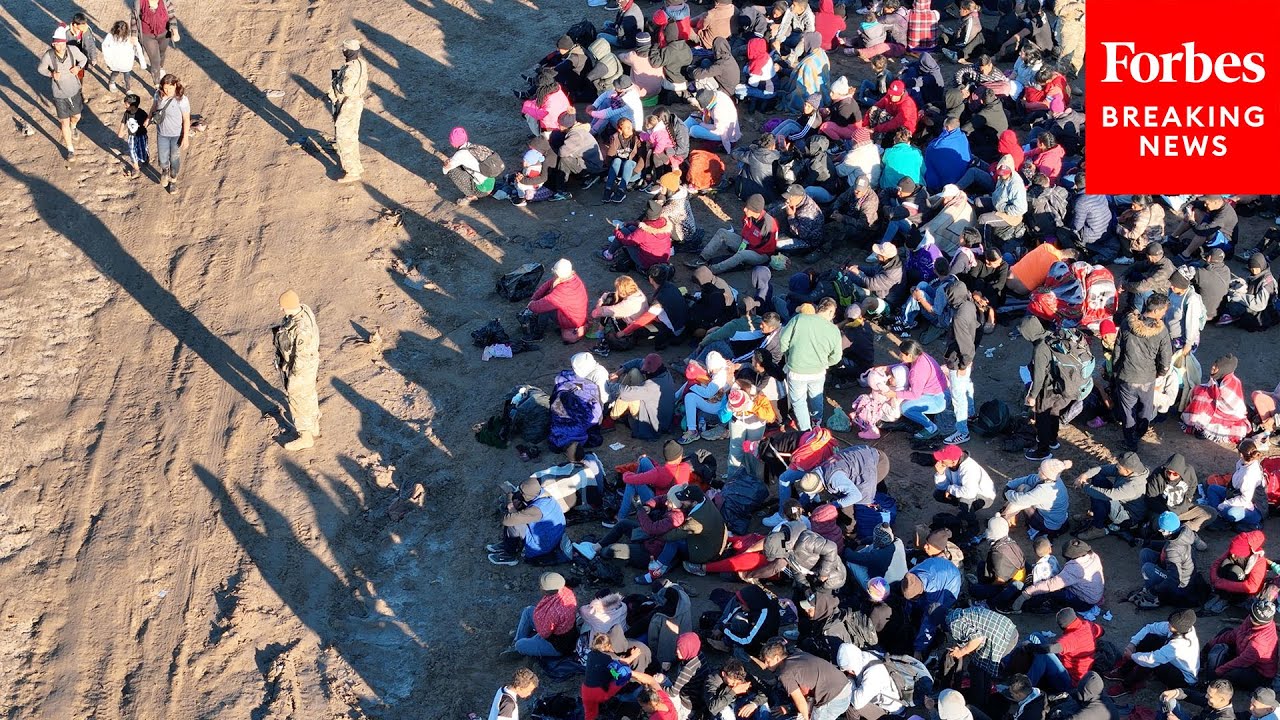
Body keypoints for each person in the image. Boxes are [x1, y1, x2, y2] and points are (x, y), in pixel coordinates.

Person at [1114, 297, 1173, 450]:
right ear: (1156, 311)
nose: (1164, 314)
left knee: (1128, 411)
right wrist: (1160, 373)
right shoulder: (1161, 330)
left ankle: (1130, 442)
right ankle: (1139, 433)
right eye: (1164, 311)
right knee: (1145, 409)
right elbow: (1166, 358)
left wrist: (1115, 370)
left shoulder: (1127, 323)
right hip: (1147, 378)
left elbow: (1117, 350)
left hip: (1127, 376)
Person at [780, 298, 843, 431]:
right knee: (816, 396)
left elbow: (783, 341)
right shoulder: (834, 330)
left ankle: (806, 430)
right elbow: (836, 357)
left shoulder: (799, 319)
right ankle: (816, 422)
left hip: (796, 370)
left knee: (799, 402)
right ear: (831, 311)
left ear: (819, 308)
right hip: (818, 371)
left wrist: (789, 355)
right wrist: (825, 363)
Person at [1106, 610, 1200, 697]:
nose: (1167, 625)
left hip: (1182, 677)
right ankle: (1124, 671)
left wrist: (1132, 656)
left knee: (1151, 663)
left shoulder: (1180, 644)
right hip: (1172, 663)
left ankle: (1128, 685)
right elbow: (1150, 628)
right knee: (1151, 638)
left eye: (1171, 625)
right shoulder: (1180, 628)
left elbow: (1151, 660)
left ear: (1179, 629)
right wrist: (1132, 644)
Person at [760, 639, 853, 720]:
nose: (766, 664)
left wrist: (805, 717)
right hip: (845, 687)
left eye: (768, 661)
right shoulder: (798, 654)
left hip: (833, 699)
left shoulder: (785, 673)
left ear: (777, 658)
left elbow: (800, 700)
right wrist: (790, 708)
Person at [273, 290, 320, 451]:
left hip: (302, 367)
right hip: (310, 363)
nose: (281, 309)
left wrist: (293, 373)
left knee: (297, 398)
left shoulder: (301, 330)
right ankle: (314, 426)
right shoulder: (304, 310)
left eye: (283, 306)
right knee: (309, 394)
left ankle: (305, 437)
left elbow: (302, 356)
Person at [489, 477, 567, 566]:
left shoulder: (537, 510)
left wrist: (510, 503)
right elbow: (520, 497)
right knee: (518, 507)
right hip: (550, 535)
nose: (520, 493)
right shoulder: (542, 493)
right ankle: (508, 543)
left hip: (541, 546)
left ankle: (510, 555)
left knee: (513, 524)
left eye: (522, 493)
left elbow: (507, 520)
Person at [37, 26, 88, 161]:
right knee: (64, 123)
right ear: (53, 44)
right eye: (57, 44)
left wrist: (78, 67)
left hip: (74, 91)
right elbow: (40, 69)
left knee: (76, 116)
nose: (60, 46)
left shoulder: (73, 50)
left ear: (65, 42)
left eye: (62, 43)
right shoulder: (48, 56)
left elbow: (84, 59)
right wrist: (51, 74)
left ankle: (74, 126)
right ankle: (70, 150)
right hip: (59, 94)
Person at [1013, 539, 1105, 613]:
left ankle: (1029, 607)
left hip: (1084, 603)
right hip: (1095, 593)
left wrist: (1027, 593)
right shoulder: (1093, 556)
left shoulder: (1075, 569)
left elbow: (1050, 585)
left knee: (1051, 592)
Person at [1074, 452, 1150, 540]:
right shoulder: (1131, 470)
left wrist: (1084, 485)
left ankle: (1098, 528)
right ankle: (1095, 513)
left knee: (1100, 497)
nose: (1116, 467)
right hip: (1119, 500)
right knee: (1097, 477)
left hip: (1128, 516)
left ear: (1127, 471)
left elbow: (1107, 495)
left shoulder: (1134, 485)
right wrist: (1085, 475)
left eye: (1119, 466)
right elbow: (1101, 469)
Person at [1024, 608, 1103, 692]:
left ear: (1062, 627)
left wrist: (1029, 646)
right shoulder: (1089, 625)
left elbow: (1049, 649)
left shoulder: (1071, 638)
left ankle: (1025, 688)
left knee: (1044, 655)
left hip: (1070, 682)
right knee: (1035, 636)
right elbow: (1102, 631)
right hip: (1080, 674)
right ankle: (1015, 661)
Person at [1205, 600, 1278, 690]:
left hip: (1259, 672)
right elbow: (1236, 633)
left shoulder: (1260, 643)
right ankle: (1205, 659)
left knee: (1231, 674)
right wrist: (1209, 645)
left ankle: (1212, 683)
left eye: (1255, 619)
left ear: (1261, 622)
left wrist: (1219, 671)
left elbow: (1242, 661)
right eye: (1251, 614)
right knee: (1226, 632)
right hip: (1243, 651)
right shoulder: (1251, 619)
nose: (1250, 618)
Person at [943, 607, 1020, 693]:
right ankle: (986, 691)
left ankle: (979, 698)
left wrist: (961, 652)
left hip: (1003, 639)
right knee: (981, 669)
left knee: (978, 669)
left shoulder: (953, 623)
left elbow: (977, 638)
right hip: (1009, 629)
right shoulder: (960, 614)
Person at [696, 195, 778, 274]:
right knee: (722, 232)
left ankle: (712, 270)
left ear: (755, 210)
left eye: (748, 208)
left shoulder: (769, 224)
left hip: (760, 254)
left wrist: (747, 249)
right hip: (746, 244)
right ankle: (702, 259)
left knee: (741, 255)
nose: (744, 209)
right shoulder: (749, 216)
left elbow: (769, 249)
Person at [1135, 512, 1200, 608]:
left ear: (1168, 531)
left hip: (1180, 585)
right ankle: (1148, 587)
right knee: (1145, 553)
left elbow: (1174, 579)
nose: (1160, 531)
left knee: (1147, 568)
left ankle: (1152, 598)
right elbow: (1166, 545)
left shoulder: (1173, 550)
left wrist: (1154, 591)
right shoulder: (1180, 534)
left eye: (1161, 530)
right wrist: (1146, 542)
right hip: (1173, 569)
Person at [1182, 355, 1251, 444]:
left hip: (1228, 414)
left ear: (1224, 369)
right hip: (1215, 407)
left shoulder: (1233, 383)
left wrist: (1208, 396)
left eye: (1216, 366)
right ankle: (1198, 424)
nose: (1213, 367)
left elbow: (1226, 404)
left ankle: (1202, 427)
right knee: (1199, 391)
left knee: (1203, 396)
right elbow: (1211, 390)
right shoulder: (1216, 378)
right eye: (1214, 364)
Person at [508, 572, 579, 658]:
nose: (539, 587)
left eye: (541, 586)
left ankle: (517, 646)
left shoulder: (555, 611)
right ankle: (519, 640)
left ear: (546, 591)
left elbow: (544, 634)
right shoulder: (565, 591)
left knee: (520, 645)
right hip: (563, 634)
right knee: (528, 611)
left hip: (557, 646)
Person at [326, 40, 368, 184]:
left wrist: (335, 85)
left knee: (344, 137)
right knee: (352, 136)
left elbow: (346, 89)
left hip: (348, 104)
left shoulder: (350, 69)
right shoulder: (361, 63)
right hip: (356, 102)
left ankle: (352, 172)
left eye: (344, 49)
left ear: (348, 51)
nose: (343, 50)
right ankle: (356, 167)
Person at [902, 556, 963, 653]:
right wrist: (906, 614)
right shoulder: (910, 577)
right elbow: (909, 599)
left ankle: (942, 626)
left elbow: (929, 621)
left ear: (920, 592)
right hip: (937, 565)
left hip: (951, 579)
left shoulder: (933, 591)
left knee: (936, 614)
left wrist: (918, 649)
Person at [1201, 440, 1266, 530]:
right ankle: (1217, 516)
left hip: (1254, 508)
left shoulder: (1249, 475)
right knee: (1212, 489)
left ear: (1241, 454)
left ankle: (1220, 518)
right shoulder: (1243, 463)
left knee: (1231, 513)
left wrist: (1225, 504)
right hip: (1235, 494)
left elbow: (1245, 500)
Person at [891, 340, 948, 440]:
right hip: (943, 391)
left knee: (905, 408)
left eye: (901, 354)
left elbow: (915, 395)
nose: (899, 355)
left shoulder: (917, 371)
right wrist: (887, 368)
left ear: (909, 355)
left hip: (937, 400)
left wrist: (894, 394)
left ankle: (931, 428)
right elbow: (905, 364)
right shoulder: (920, 356)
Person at [1001, 458, 1071, 539]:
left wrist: (1007, 492)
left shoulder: (1046, 490)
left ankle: (1004, 519)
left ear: (1045, 475)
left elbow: (1020, 500)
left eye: (1041, 469)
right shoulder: (1053, 479)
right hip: (1054, 517)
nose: (1038, 469)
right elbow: (1028, 479)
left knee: (1022, 501)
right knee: (1024, 488)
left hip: (1048, 524)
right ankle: (1007, 516)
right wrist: (1009, 485)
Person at [835, 643, 907, 720]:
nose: (848, 672)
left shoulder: (873, 673)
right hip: (879, 700)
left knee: (849, 702)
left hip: (891, 712)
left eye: (848, 670)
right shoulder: (865, 655)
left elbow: (857, 703)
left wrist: (850, 679)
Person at [526, 259, 589, 344]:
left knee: (544, 311)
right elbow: (549, 284)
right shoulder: (573, 278)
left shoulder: (562, 292)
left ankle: (537, 335)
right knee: (546, 301)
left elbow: (539, 307)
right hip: (577, 317)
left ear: (558, 275)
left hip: (572, 321)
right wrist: (535, 297)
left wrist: (531, 304)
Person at [442, 126, 501, 205]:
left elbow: (445, 171)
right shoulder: (473, 146)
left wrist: (445, 165)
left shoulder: (459, 155)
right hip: (491, 180)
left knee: (452, 171)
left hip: (483, 190)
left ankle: (471, 195)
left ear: (453, 143)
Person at [1218, 254, 1278, 331]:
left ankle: (1229, 315)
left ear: (1261, 265)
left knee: (1234, 305)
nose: (1254, 271)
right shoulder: (1259, 275)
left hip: (1262, 311)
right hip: (1252, 300)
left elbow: (1260, 305)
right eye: (1251, 268)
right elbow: (1250, 284)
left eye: (1256, 268)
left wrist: (1240, 297)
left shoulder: (1267, 283)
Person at [1209, 530, 1269, 605]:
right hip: (1232, 580)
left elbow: (1252, 587)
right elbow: (1216, 563)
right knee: (1225, 563)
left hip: (1244, 590)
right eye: (1232, 552)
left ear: (1247, 552)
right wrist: (1214, 578)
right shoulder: (1236, 549)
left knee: (1235, 570)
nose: (1232, 555)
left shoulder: (1259, 561)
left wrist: (1222, 583)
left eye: (1236, 553)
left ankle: (1229, 599)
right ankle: (1221, 593)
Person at [932, 444, 995, 513]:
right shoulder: (948, 465)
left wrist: (950, 489)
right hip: (964, 490)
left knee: (964, 501)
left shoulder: (969, 469)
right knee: (938, 494)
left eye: (942, 459)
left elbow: (970, 493)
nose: (939, 461)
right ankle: (962, 507)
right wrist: (940, 474)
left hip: (984, 496)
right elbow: (942, 487)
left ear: (953, 461)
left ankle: (969, 518)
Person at [131, 0, 177, 83]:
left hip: (164, 34)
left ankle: (161, 68)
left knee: (162, 53)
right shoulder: (139, 2)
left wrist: (175, 31)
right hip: (147, 36)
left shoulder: (165, 1)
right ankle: (157, 84)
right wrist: (134, 35)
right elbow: (134, 18)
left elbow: (172, 15)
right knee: (155, 60)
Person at [603, 117, 645, 204]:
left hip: (633, 172)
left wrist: (634, 172)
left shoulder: (637, 138)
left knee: (628, 163)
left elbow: (642, 158)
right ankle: (608, 189)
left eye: (631, 126)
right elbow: (610, 157)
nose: (630, 129)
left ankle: (621, 190)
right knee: (616, 160)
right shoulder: (615, 138)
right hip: (620, 172)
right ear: (620, 129)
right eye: (627, 127)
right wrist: (610, 171)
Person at [102, 20, 148, 94]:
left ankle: (128, 89)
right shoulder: (110, 36)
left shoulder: (130, 37)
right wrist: (108, 61)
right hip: (116, 61)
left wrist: (142, 63)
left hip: (126, 62)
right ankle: (111, 82)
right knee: (115, 72)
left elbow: (138, 48)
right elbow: (104, 46)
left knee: (127, 75)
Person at [1159, 680, 1235, 720]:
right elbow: (1191, 695)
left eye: (1210, 696)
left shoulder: (1226, 718)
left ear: (1222, 700)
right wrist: (1176, 692)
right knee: (1166, 698)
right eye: (1207, 693)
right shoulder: (1213, 701)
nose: (1206, 696)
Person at [118, 93, 149, 179]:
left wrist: (148, 122)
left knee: (143, 149)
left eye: (126, 104)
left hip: (141, 135)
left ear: (133, 106)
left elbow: (148, 120)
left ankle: (145, 158)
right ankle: (136, 167)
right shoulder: (127, 113)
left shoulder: (141, 113)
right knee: (132, 150)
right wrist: (120, 131)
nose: (125, 106)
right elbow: (123, 122)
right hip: (131, 136)